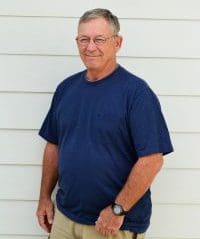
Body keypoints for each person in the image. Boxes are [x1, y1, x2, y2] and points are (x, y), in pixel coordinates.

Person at [36, 8, 173, 239]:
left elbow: (152, 160)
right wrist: (44, 198)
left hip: (110, 224)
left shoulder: (136, 94)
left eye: (99, 39)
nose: (90, 47)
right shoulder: (66, 89)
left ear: (117, 43)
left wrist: (118, 209)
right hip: (64, 218)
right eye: (83, 39)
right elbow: (54, 146)